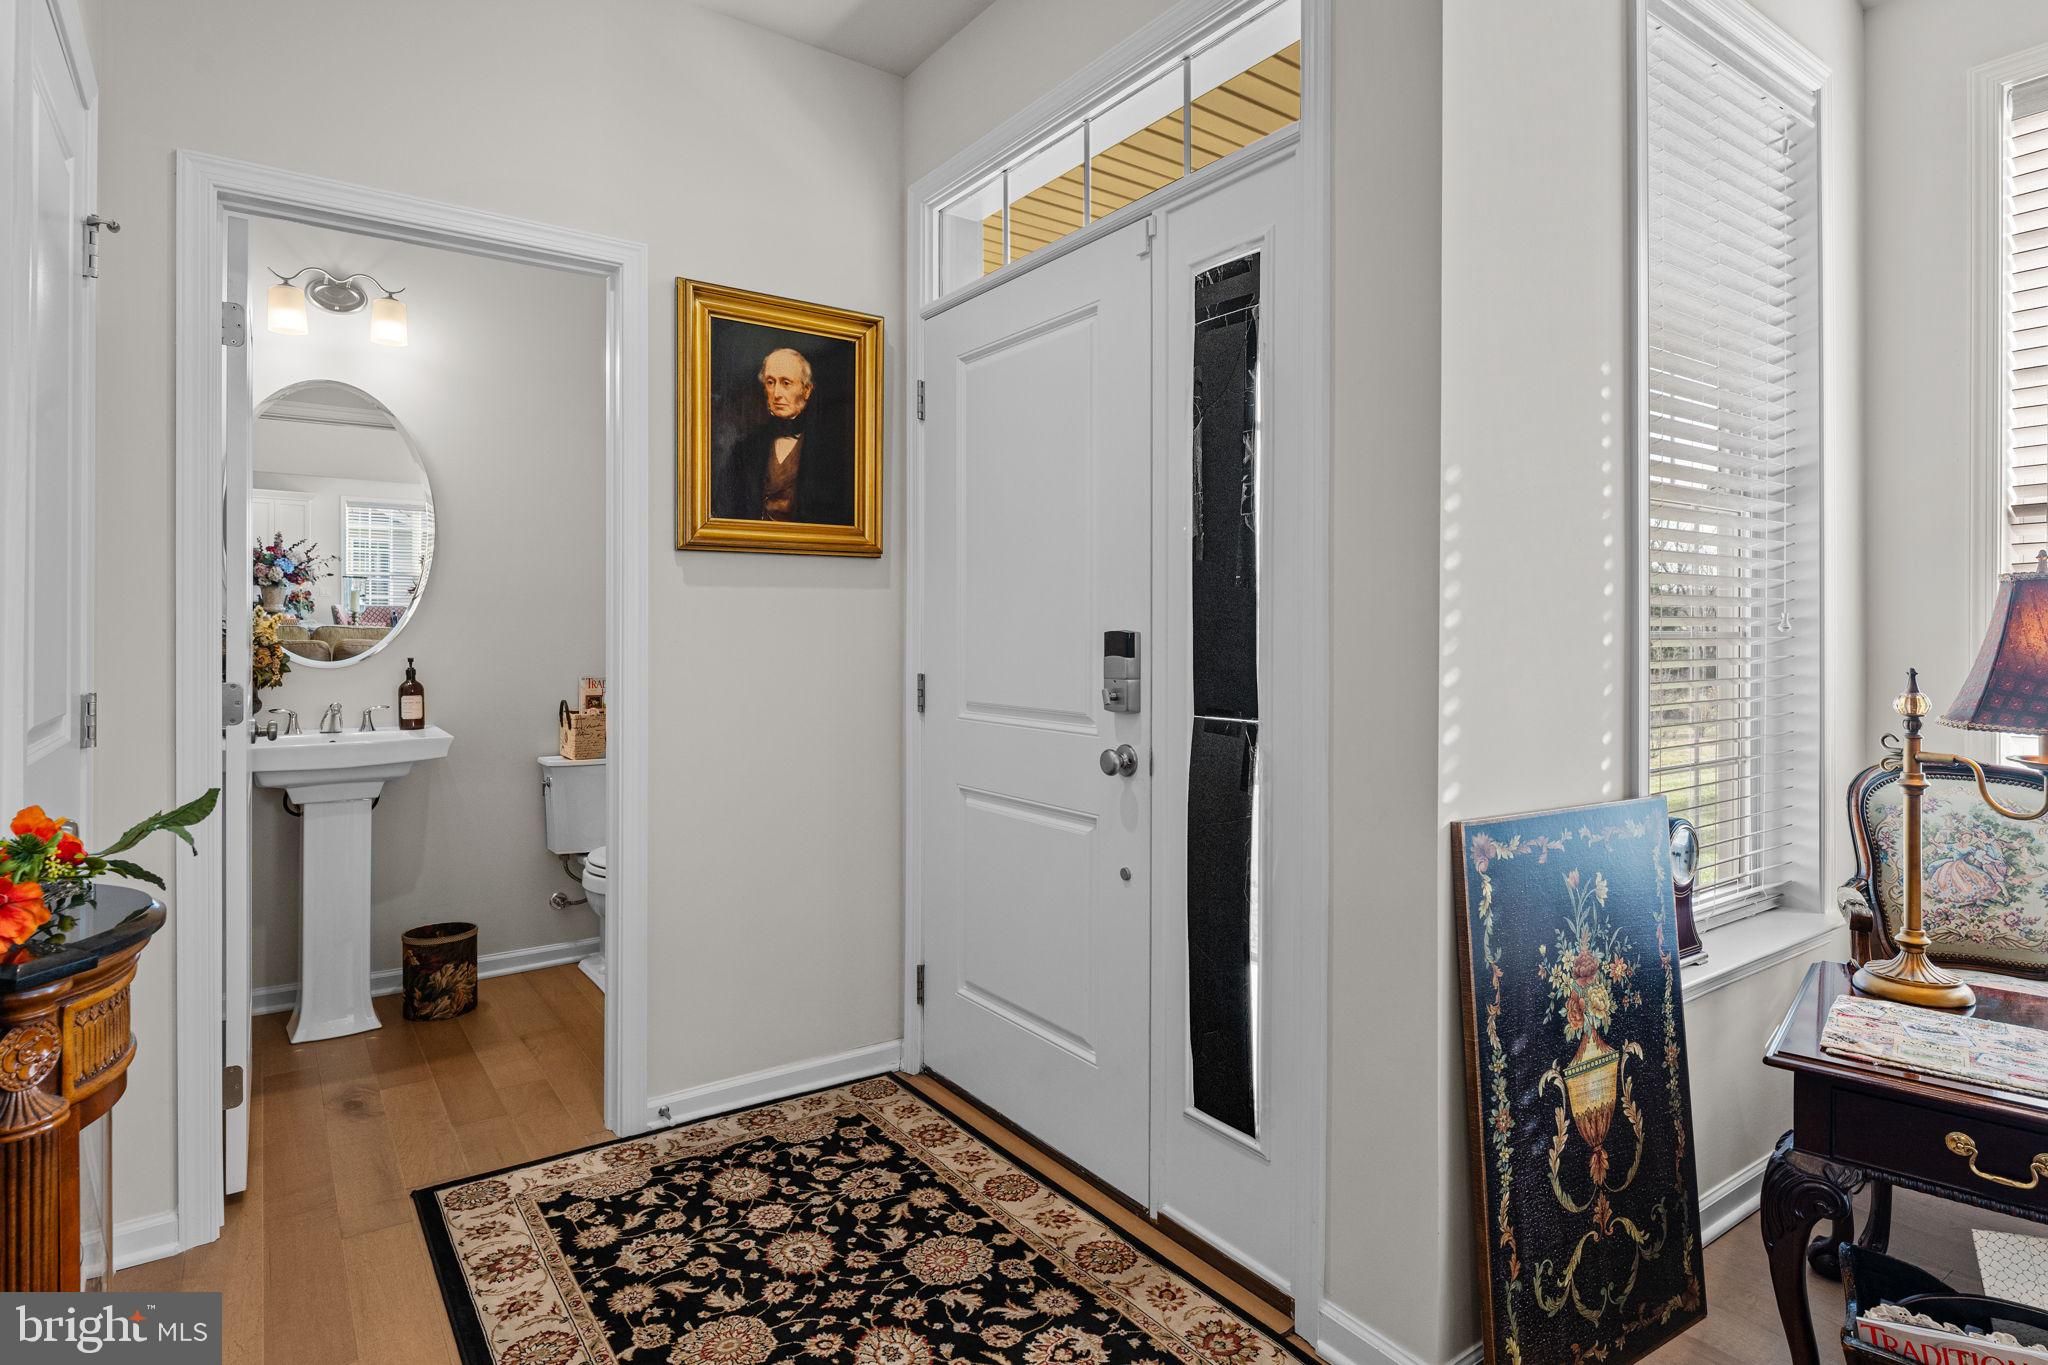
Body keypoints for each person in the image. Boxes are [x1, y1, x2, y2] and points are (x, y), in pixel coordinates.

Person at [713, 346, 853, 524]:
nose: (777, 394)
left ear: (807, 390)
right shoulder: (746, 448)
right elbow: (725, 509)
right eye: (770, 383)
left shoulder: (829, 449)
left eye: (786, 383)